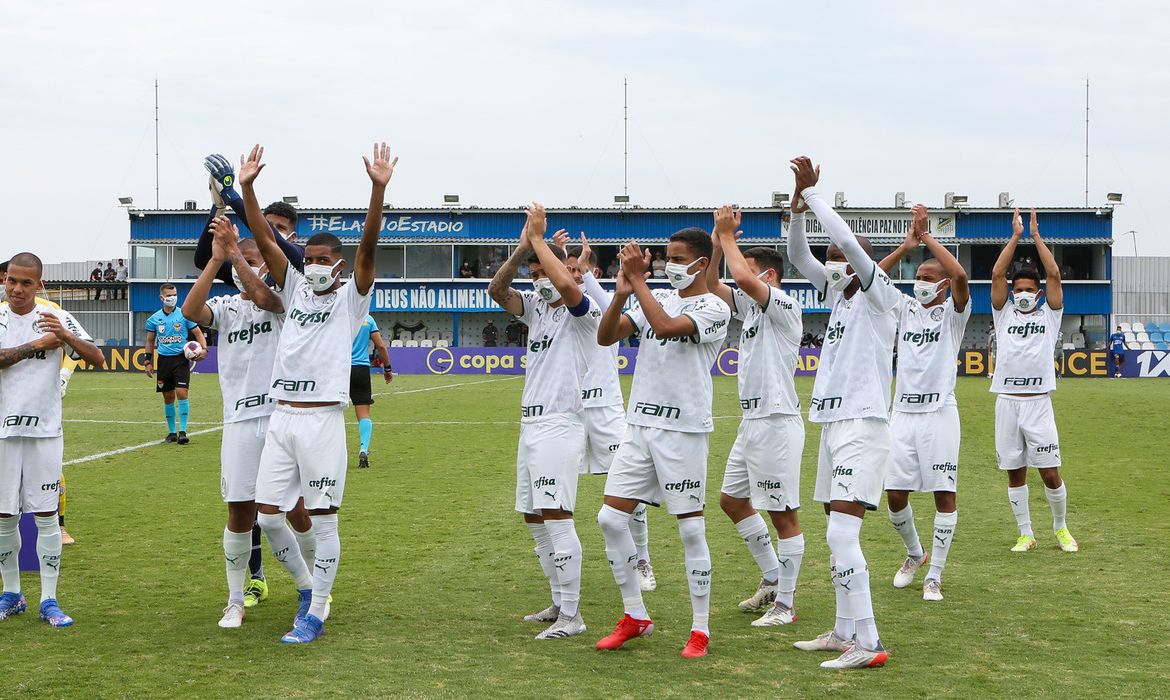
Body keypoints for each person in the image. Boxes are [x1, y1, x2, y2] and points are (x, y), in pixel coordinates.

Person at [242, 141, 394, 643]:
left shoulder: (353, 297)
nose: (315, 266)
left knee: (324, 521)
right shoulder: (293, 288)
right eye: (310, 259)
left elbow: (369, 245)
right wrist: (246, 188)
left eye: (325, 260)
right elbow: (264, 237)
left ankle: (318, 610)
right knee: (267, 517)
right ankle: (307, 586)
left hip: (322, 420)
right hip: (281, 418)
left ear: (341, 265)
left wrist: (377, 190)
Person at [594, 225, 730, 659]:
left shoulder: (714, 307)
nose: (666, 265)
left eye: (675, 257)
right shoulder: (659, 296)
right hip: (639, 428)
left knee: (690, 530)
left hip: (683, 431)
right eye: (664, 257)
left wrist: (638, 283)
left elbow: (668, 328)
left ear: (701, 263)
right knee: (610, 520)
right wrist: (619, 293)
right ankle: (636, 615)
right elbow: (606, 336)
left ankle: (700, 630)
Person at [786, 156, 896, 669]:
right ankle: (842, 630)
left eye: (840, 258)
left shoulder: (881, 297)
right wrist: (797, 212)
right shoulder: (838, 298)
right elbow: (799, 258)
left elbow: (849, 243)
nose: (831, 263)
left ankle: (869, 644)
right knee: (834, 526)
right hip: (832, 424)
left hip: (864, 424)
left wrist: (812, 195)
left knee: (840, 533)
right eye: (831, 258)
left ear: (859, 265)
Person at [182, 218, 317, 629]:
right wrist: (216, 260)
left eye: (259, 260)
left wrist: (237, 254)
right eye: (248, 260)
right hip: (239, 421)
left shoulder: (285, 300)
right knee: (239, 512)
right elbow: (191, 310)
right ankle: (235, 600)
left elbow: (266, 297)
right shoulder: (226, 308)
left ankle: (316, 588)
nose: (254, 267)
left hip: (279, 417)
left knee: (291, 509)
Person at [489, 204, 600, 641]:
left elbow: (567, 288)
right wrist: (523, 250)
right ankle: (558, 601)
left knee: (557, 516)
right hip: (531, 425)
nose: (548, 277)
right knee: (534, 518)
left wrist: (539, 240)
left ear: (580, 275)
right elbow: (496, 291)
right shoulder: (536, 307)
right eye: (543, 272)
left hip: (560, 423)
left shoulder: (585, 309)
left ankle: (573, 616)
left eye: (565, 269)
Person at [704, 205, 806, 627]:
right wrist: (715, 242)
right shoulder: (751, 309)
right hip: (753, 422)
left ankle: (786, 603)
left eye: (746, 269)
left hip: (777, 421)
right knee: (732, 501)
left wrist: (729, 235)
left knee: (784, 514)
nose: (738, 275)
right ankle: (771, 577)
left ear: (769, 276)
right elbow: (712, 283)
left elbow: (741, 279)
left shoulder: (782, 302)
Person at [0, 252, 105, 627]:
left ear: (39, 285)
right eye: (12, 280)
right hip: (3, 434)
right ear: (4, 279)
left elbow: (97, 358)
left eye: (26, 282)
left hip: (45, 432)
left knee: (46, 517)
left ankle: (49, 599)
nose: (17, 289)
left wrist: (62, 336)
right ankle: (11, 594)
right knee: (4, 518)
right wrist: (39, 345)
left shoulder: (57, 316)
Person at [875, 205, 971, 602]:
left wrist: (929, 236)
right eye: (917, 278)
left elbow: (963, 275)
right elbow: (873, 279)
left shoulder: (953, 314)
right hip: (903, 414)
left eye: (929, 279)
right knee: (894, 494)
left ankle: (935, 574)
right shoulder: (905, 308)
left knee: (942, 495)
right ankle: (915, 554)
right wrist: (907, 244)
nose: (920, 284)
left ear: (944, 286)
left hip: (938, 414)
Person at [563, 231, 657, 593]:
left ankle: (642, 560)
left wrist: (584, 270)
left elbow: (606, 307)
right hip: (566, 411)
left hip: (605, 411)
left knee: (629, 491)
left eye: (577, 270)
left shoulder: (600, 306)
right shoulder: (553, 305)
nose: (570, 274)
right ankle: (563, 566)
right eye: (566, 269)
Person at [990, 209, 1078, 554]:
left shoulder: (1050, 313)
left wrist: (1037, 238)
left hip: (1039, 402)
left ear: (1039, 293)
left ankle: (1061, 528)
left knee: (1050, 473)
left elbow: (1054, 273)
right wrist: (1015, 237)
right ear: (1013, 293)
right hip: (1007, 402)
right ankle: (1025, 533)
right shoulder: (1004, 312)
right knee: (1015, 472)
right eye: (1018, 289)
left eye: (1029, 289)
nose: (1023, 293)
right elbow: (997, 272)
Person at [199, 155, 306, 285]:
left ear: (293, 237)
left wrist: (229, 193)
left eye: (281, 227)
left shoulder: (299, 257)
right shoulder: (247, 264)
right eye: (268, 224)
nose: (272, 230)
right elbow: (202, 260)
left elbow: (271, 238)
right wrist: (218, 208)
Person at [144, 283, 207, 444]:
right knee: (168, 396)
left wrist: (204, 349)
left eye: (175, 294)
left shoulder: (184, 315)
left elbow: (198, 333)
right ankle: (172, 432)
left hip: (180, 359)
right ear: (162, 297)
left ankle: (183, 432)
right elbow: (150, 341)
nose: (172, 297)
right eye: (169, 295)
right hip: (163, 360)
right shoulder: (154, 319)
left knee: (182, 392)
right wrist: (147, 361)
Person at [350, 314, 392, 469]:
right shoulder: (368, 319)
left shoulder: (338, 314)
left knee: (331, 413)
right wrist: (387, 368)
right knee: (364, 414)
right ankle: (363, 448)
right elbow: (381, 346)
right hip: (360, 368)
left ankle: (329, 453)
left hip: (339, 368)